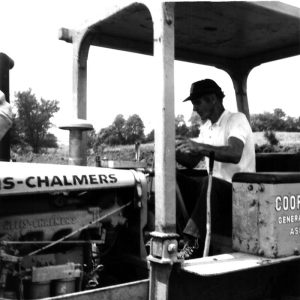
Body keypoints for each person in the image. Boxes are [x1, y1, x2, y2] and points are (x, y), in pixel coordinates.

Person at [176, 79, 255, 259]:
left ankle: (193, 243)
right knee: (172, 178)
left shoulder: (236, 120)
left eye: (197, 103)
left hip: (239, 192)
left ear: (212, 99)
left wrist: (199, 147)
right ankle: (176, 235)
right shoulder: (207, 128)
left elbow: (234, 153)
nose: (194, 109)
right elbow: (191, 162)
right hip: (214, 191)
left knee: (209, 182)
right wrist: (169, 151)